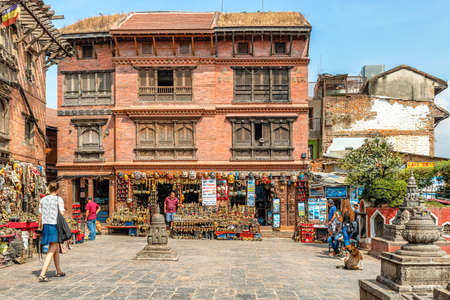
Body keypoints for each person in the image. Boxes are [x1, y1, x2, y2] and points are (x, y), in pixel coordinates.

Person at [38, 182, 65, 282]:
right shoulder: (59, 199)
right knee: (52, 248)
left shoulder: (43, 199)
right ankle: (42, 274)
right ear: (57, 189)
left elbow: (40, 215)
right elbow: (61, 213)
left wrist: (39, 227)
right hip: (54, 225)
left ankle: (58, 271)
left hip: (45, 225)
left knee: (56, 247)